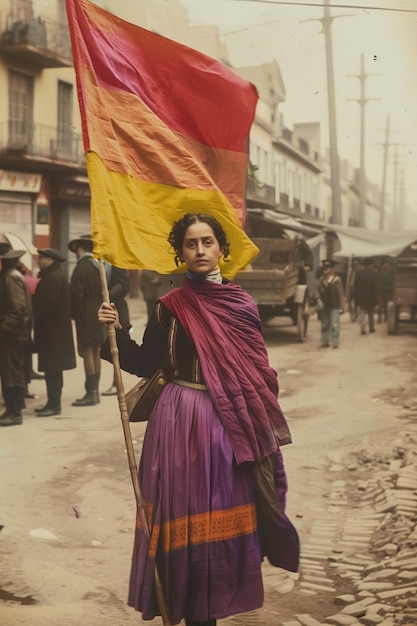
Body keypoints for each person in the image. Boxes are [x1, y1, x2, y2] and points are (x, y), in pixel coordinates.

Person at [98, 213, 299, 626]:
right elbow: (144, 362)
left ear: (222, 248)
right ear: (181, 252)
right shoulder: (168, 307)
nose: (200, 250)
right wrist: (114, 333)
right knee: (179, 516)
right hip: (177, 421)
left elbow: (258, 372)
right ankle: (187, 609)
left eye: (208, 242)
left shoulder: (242, 304)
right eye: (191, 244)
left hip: (228, 426)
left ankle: (212, 605)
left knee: (220, 510)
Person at [32, 248, 76, 416]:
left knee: (52, 369)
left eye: (42, 258)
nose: (39, 261)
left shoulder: (51, 279)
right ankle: (52, 402)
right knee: (54, 369)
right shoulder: (57, 275)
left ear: (50, 261)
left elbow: (46, 306)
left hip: (52, 333)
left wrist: (35, 315)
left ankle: (54, 404)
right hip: (56, 332)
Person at [68, 234, 106, 406]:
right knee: (96, 350)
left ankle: (90, 393)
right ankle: (95, 391)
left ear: (80, 249)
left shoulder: (81, 267)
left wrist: (74, 314)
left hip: (85, 314)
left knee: (87, 351)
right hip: (99, 312)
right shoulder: (98, 266)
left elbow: (76, 294)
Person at [0, 248, 33, 426]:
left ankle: (14, 412)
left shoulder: (10, 276)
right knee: (12, 371)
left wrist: (4, 327)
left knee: (12, 373)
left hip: (12, 335)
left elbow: (18, 310)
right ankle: (13, 409)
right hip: (15, 333)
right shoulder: (13, 275)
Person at [101, 264, 131, 396]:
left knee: (117, 347)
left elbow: (124, 285)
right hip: (107, 311)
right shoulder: (102, 264)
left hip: (118, 310)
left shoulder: (115, 263)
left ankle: (117, 383)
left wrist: (106, 296)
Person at [317, 259, 344, 348]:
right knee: (324, 324)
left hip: (334, 306)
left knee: (334, 324)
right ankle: (325, 341)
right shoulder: (321, 280)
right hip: (324, 306)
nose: (325, 270)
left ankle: (335, 342)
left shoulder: (337, 280)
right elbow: (318, 292)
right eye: (324, 268)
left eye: (328, 268)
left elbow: (340, 294)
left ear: (332, 269)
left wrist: (342, 306)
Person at [352, 257, 378, 335]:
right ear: (370, 265)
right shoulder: (372, 272)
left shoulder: (358, 273)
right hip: (370, 295)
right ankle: (371, 328)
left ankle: (363, 328)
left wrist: (355, 296)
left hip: (360, 296)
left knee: (362, 311)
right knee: (371, 312)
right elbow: (375, 284)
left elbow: (355, 285)